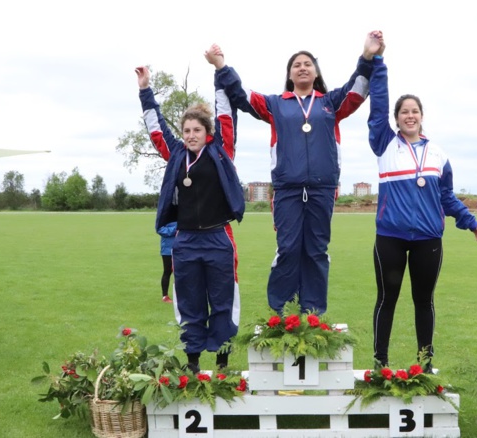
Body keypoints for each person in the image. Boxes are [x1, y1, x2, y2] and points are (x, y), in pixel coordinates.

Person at [227, 31, 384, 315]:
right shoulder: (276, 104)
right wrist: (222, 67)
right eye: (296, 64)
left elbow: (358, 89)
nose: (302, 67)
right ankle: (281, 312)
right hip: (287, 189)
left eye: (307, 64)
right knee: (287, 249)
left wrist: (367, 56)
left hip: (322, 189)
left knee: (316, 251)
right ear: (289, 74)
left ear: (315, 72)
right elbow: (242, 95)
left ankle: (312, 313)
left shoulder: (330, 103)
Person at [367, 48, 477, 371]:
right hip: (390, 237)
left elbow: (446, 197)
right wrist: (378, 63)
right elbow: (377, 106)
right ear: (396, 119)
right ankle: (381, 362)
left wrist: (469, 220)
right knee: (386, 300)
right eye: (404, 111)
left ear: (422, 116)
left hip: (428, 239)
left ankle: (425, 362)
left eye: (414, 111)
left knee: (424, 301)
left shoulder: (438, 155)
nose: (409, 115)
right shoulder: (384, 144)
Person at [135, 45, 245, 372]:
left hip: (218, 239)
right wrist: (145, 90)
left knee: (223, 302)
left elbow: (225, 111)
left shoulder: (221, 150)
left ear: (207, 133)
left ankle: (223, 361)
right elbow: (155, 128)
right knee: (189, 302)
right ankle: (193, 363)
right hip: (185, 242)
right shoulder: (176, 156)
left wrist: (219, 69)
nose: (191, 135)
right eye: (186, 131)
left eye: (197, 130)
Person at [157, 221, 177, 303]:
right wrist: (176, 228)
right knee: (167, 271)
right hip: (167, 249)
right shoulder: (165, 216)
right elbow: (160, 230)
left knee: (181, 272)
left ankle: (180, 295)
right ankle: (165, 296)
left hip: (182, 248)